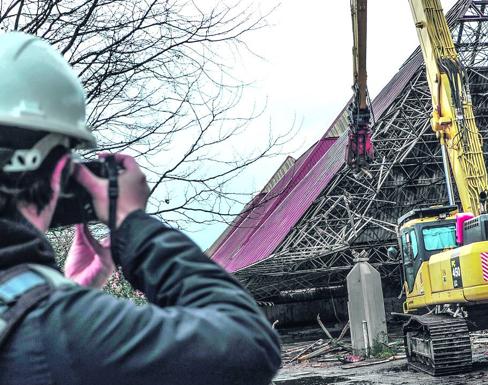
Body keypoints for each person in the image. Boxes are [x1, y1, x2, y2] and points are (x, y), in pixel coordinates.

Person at [0, 32, 281, 385]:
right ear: (57, 170)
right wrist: (132, 225)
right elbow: (248, 343)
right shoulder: (52, 330)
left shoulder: (49, 328)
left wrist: (65, 292)